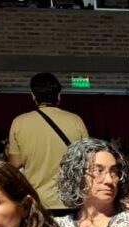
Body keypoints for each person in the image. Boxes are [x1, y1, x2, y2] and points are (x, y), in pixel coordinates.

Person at [7, 73, 89, 214]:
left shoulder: (19, 122)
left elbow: (15, 164)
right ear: (59, 95)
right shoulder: (76, 121)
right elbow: (86, 158)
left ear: (33, 96)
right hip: (70, 200)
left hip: (37, 201)